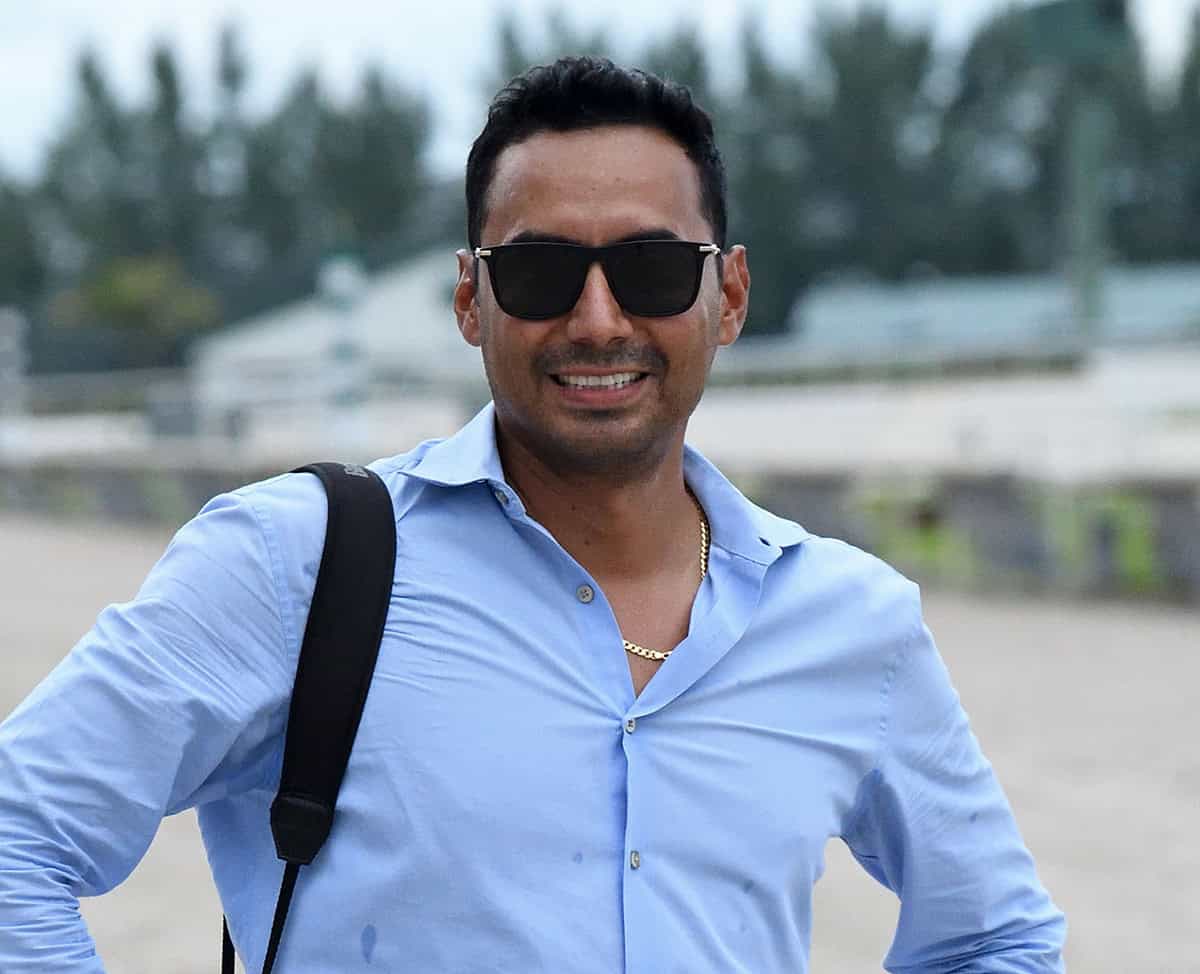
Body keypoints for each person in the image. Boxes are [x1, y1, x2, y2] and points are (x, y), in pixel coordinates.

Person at [0, 56, 1065, 972]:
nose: (598, 320)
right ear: (471, 298)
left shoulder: (852, 621)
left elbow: (994, 936)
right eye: (542, 271)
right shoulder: (298, 564)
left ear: (729, 295)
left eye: (651, 267)